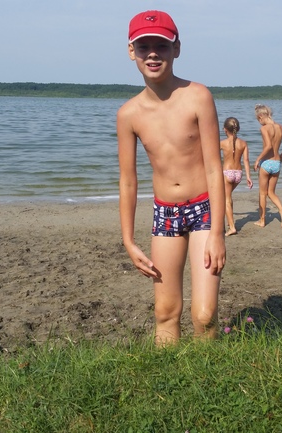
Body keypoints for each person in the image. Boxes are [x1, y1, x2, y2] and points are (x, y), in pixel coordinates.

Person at [117, 10, 226, 346]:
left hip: (204, 210)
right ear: (131, 51)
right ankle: (166, 372)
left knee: (204, 314)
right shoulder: (128, 114)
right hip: (165, 213)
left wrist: (218, 232)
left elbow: (214, 168)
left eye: (161, 46)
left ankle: (209, 368)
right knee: (165, 310)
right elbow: (128, 181)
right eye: (144, 46)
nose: (153, 54)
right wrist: (128, 240)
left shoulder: (198, 96)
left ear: (176, 48)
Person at [253, 104, 282, 228]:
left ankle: (262, 220)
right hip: (276, 163)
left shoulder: (264, 129)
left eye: (258, 120)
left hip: (266, 163)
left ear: (260, 116)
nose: (259, 122)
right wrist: (281, 156)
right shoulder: (280, 127)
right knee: (271, 192)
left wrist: (258, 159)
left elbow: (268, 146)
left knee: (262, 193)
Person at [219, 117, 252, 236]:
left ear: (225, 129)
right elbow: (246, 160)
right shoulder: (243, 143)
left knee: (226, 199)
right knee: (227, 197)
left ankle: (232, 227)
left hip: (227, 173)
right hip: (238, 174)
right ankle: (230, 222)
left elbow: (214, 158)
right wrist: (248, 177)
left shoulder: (222, 143)